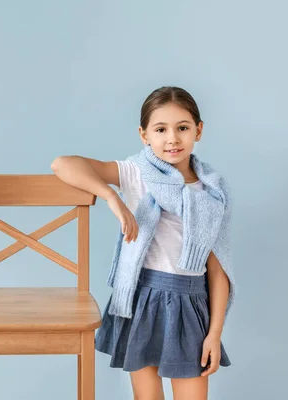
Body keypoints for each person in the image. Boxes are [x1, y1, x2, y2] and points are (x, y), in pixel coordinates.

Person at [51, 86, 235, 400]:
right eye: (160, 129)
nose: (172, 138)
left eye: (182, 128)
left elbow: (218, 272)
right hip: (141, 299)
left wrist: (214, 334)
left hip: (190, 303)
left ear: (198, 131)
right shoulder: (136, 173)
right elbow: (63, 164)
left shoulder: (211, 192)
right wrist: (112, 197)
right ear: (144, 135)